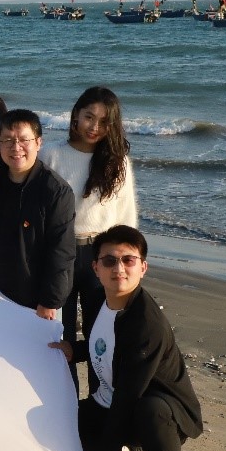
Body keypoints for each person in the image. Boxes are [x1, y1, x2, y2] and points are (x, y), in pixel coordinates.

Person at [49, 226, 202, 451]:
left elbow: (129, 396)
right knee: (53, 432)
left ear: (143, 267)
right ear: (96, 268)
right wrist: (74, 350)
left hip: (161, 412)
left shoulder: (146, 322)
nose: (118, 268)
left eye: (128, 260)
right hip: (110, 404)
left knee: (150, 410)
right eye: (109, 261)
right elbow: (107, 345)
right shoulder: (100, 302)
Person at [41, 86, 140, 352]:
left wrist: (129, 260)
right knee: (58, 333)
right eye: (89, 117)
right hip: (60, 252)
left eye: (104, 122)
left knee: (101, 335)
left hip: (102, 254)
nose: (94, 127)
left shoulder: (118, 162)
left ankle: (99, 382)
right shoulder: (50, 154)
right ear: (76, 115)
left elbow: (126, 215)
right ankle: (64, 382)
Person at [0, 109, 75, 321]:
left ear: (38, 142)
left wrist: (50, 301)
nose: (16, 147)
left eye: (24, 140)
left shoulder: (55, 191)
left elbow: (62, 252)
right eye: (7, 140)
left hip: (34, 298)